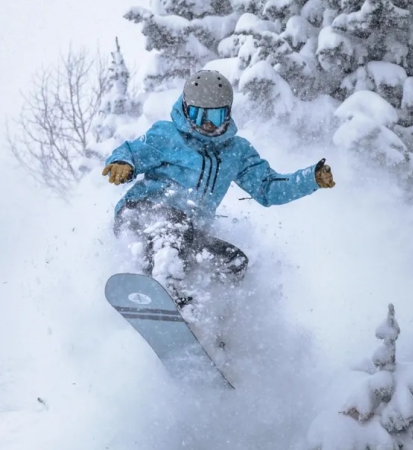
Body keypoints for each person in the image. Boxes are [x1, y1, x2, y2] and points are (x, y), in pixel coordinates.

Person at [102, 70, 335, 304]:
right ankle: (166, 292)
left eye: (215, 116)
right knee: (172, 228)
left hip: (189, 232)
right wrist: (122, 162)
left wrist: (310, 179)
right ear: (186, 109)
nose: (207, 124)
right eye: (198, 115)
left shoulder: (236, 151)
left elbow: (268, 188)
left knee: (233, 262)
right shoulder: (167, 135)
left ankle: (207, 318)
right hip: (141, 213)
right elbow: (132, 151)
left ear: (228, 113)